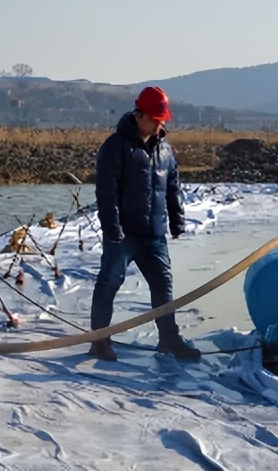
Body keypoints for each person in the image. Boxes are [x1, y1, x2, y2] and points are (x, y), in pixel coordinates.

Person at [88, 86, 201, 362]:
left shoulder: (164, 148)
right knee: (109, 283)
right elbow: (106, 191)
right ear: (139, 115)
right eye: (155, 118)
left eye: (162, 119)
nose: (160, 123)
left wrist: (177, 221)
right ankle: (99, 341)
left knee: (163, 284)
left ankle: (169, 340)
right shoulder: (116, 146)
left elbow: (172, 187)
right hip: (123, 234)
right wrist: (112, 227)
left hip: (153, 234)